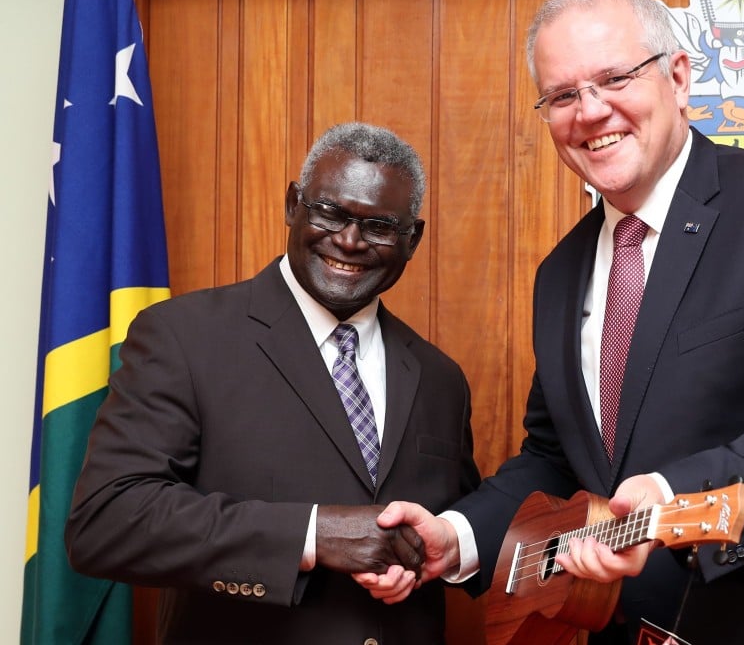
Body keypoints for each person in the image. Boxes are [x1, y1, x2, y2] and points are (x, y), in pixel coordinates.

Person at [372, 0, 744, 645]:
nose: (591, 111)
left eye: (614, 79)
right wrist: (454, 538)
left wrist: (673, 495)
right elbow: (556, 460)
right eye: (563, 95)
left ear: (680, 77)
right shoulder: (561, 273)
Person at [65, 121, 481, 644]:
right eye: (330, 212)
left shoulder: (441, 378)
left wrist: (421, 557)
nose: (349, 242)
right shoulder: (183, 337)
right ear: (293, 206)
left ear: (412, 238)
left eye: (378, 226)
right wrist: (311, 535)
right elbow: (105, 522)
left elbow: (455, 528)